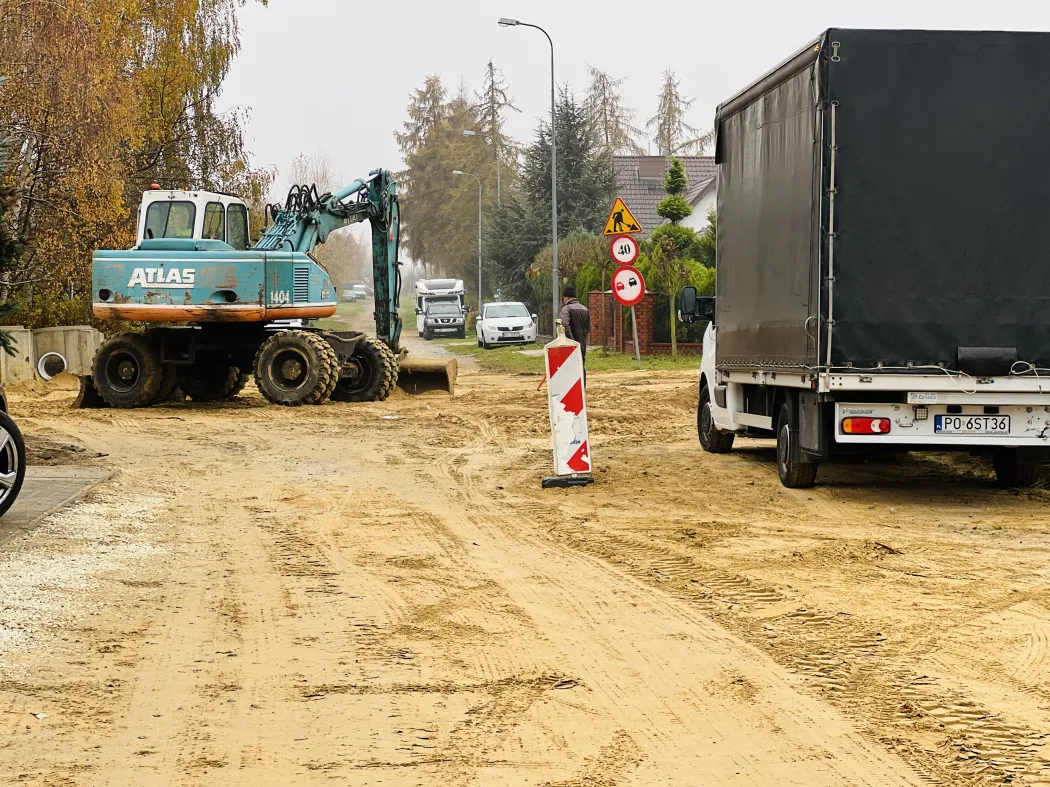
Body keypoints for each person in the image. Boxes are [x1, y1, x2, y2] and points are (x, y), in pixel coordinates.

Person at [559, 285, 591, 382]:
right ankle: (582, 386)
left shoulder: (566, 309)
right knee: (581, 364)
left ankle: (571, 388)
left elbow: (564, 324)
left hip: (570, 344)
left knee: (569, 366)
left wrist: (571, 340)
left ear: (567, 297)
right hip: (582, 343)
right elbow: (589, 328)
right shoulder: (585, 309)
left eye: (564, 297)